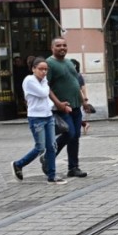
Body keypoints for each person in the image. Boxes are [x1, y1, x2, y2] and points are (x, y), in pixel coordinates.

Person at [12, 57, 66, 185]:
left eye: (46, 69)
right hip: (36, 118)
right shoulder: (29, 80)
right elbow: (43, 93)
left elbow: (46, 96)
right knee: (40, 147)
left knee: (52, 146)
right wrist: (45, 83)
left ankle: (52, 176)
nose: (44, 72)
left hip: (48, 116)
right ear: (33, 69)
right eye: (41, 69)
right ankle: (18, 164)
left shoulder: (43, 81)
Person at [45, 37, 90, 178]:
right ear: (52, 48)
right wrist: (58, 103)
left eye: (64, 45)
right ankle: (48, 156)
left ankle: (73, 168)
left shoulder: (69, 63)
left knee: (75, 137)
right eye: (58, 45)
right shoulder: (49, 63)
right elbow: (46, 86)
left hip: (76, 106)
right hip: (62, 107)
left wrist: (83, 102)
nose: (62, 48)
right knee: (69, 133)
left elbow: (75, 83)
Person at [70, 59, 91, 134]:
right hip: (69, 98)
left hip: (78, 98)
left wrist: (85, 98)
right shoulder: (68, 75)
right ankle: (85, 125)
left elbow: (82, 88)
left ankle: (78, 130)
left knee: (77, 115)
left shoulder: (78, 75)